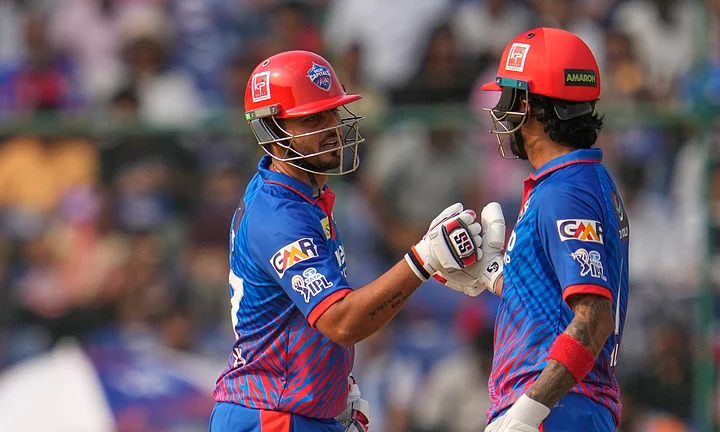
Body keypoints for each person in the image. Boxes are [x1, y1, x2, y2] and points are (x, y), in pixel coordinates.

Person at [208, 50, 498, 432]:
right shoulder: (279, 216)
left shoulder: (306, 197)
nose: (330, 126)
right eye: (311, 118)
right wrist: (424, 260)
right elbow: (341, 321)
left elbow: (305, 324)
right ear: (272, 131)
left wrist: (337, 386)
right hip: (271, 416)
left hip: (296, 410)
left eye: (332, 112)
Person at [441, 28, 631, 431]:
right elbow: (554, 301)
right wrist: (493, 276)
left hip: (558, 408)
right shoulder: (573, 183)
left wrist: (526, 413)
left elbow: (595, 317)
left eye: (507, 95)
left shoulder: (565, 192)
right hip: (565, 406)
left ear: (527, 104)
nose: (500, 111)